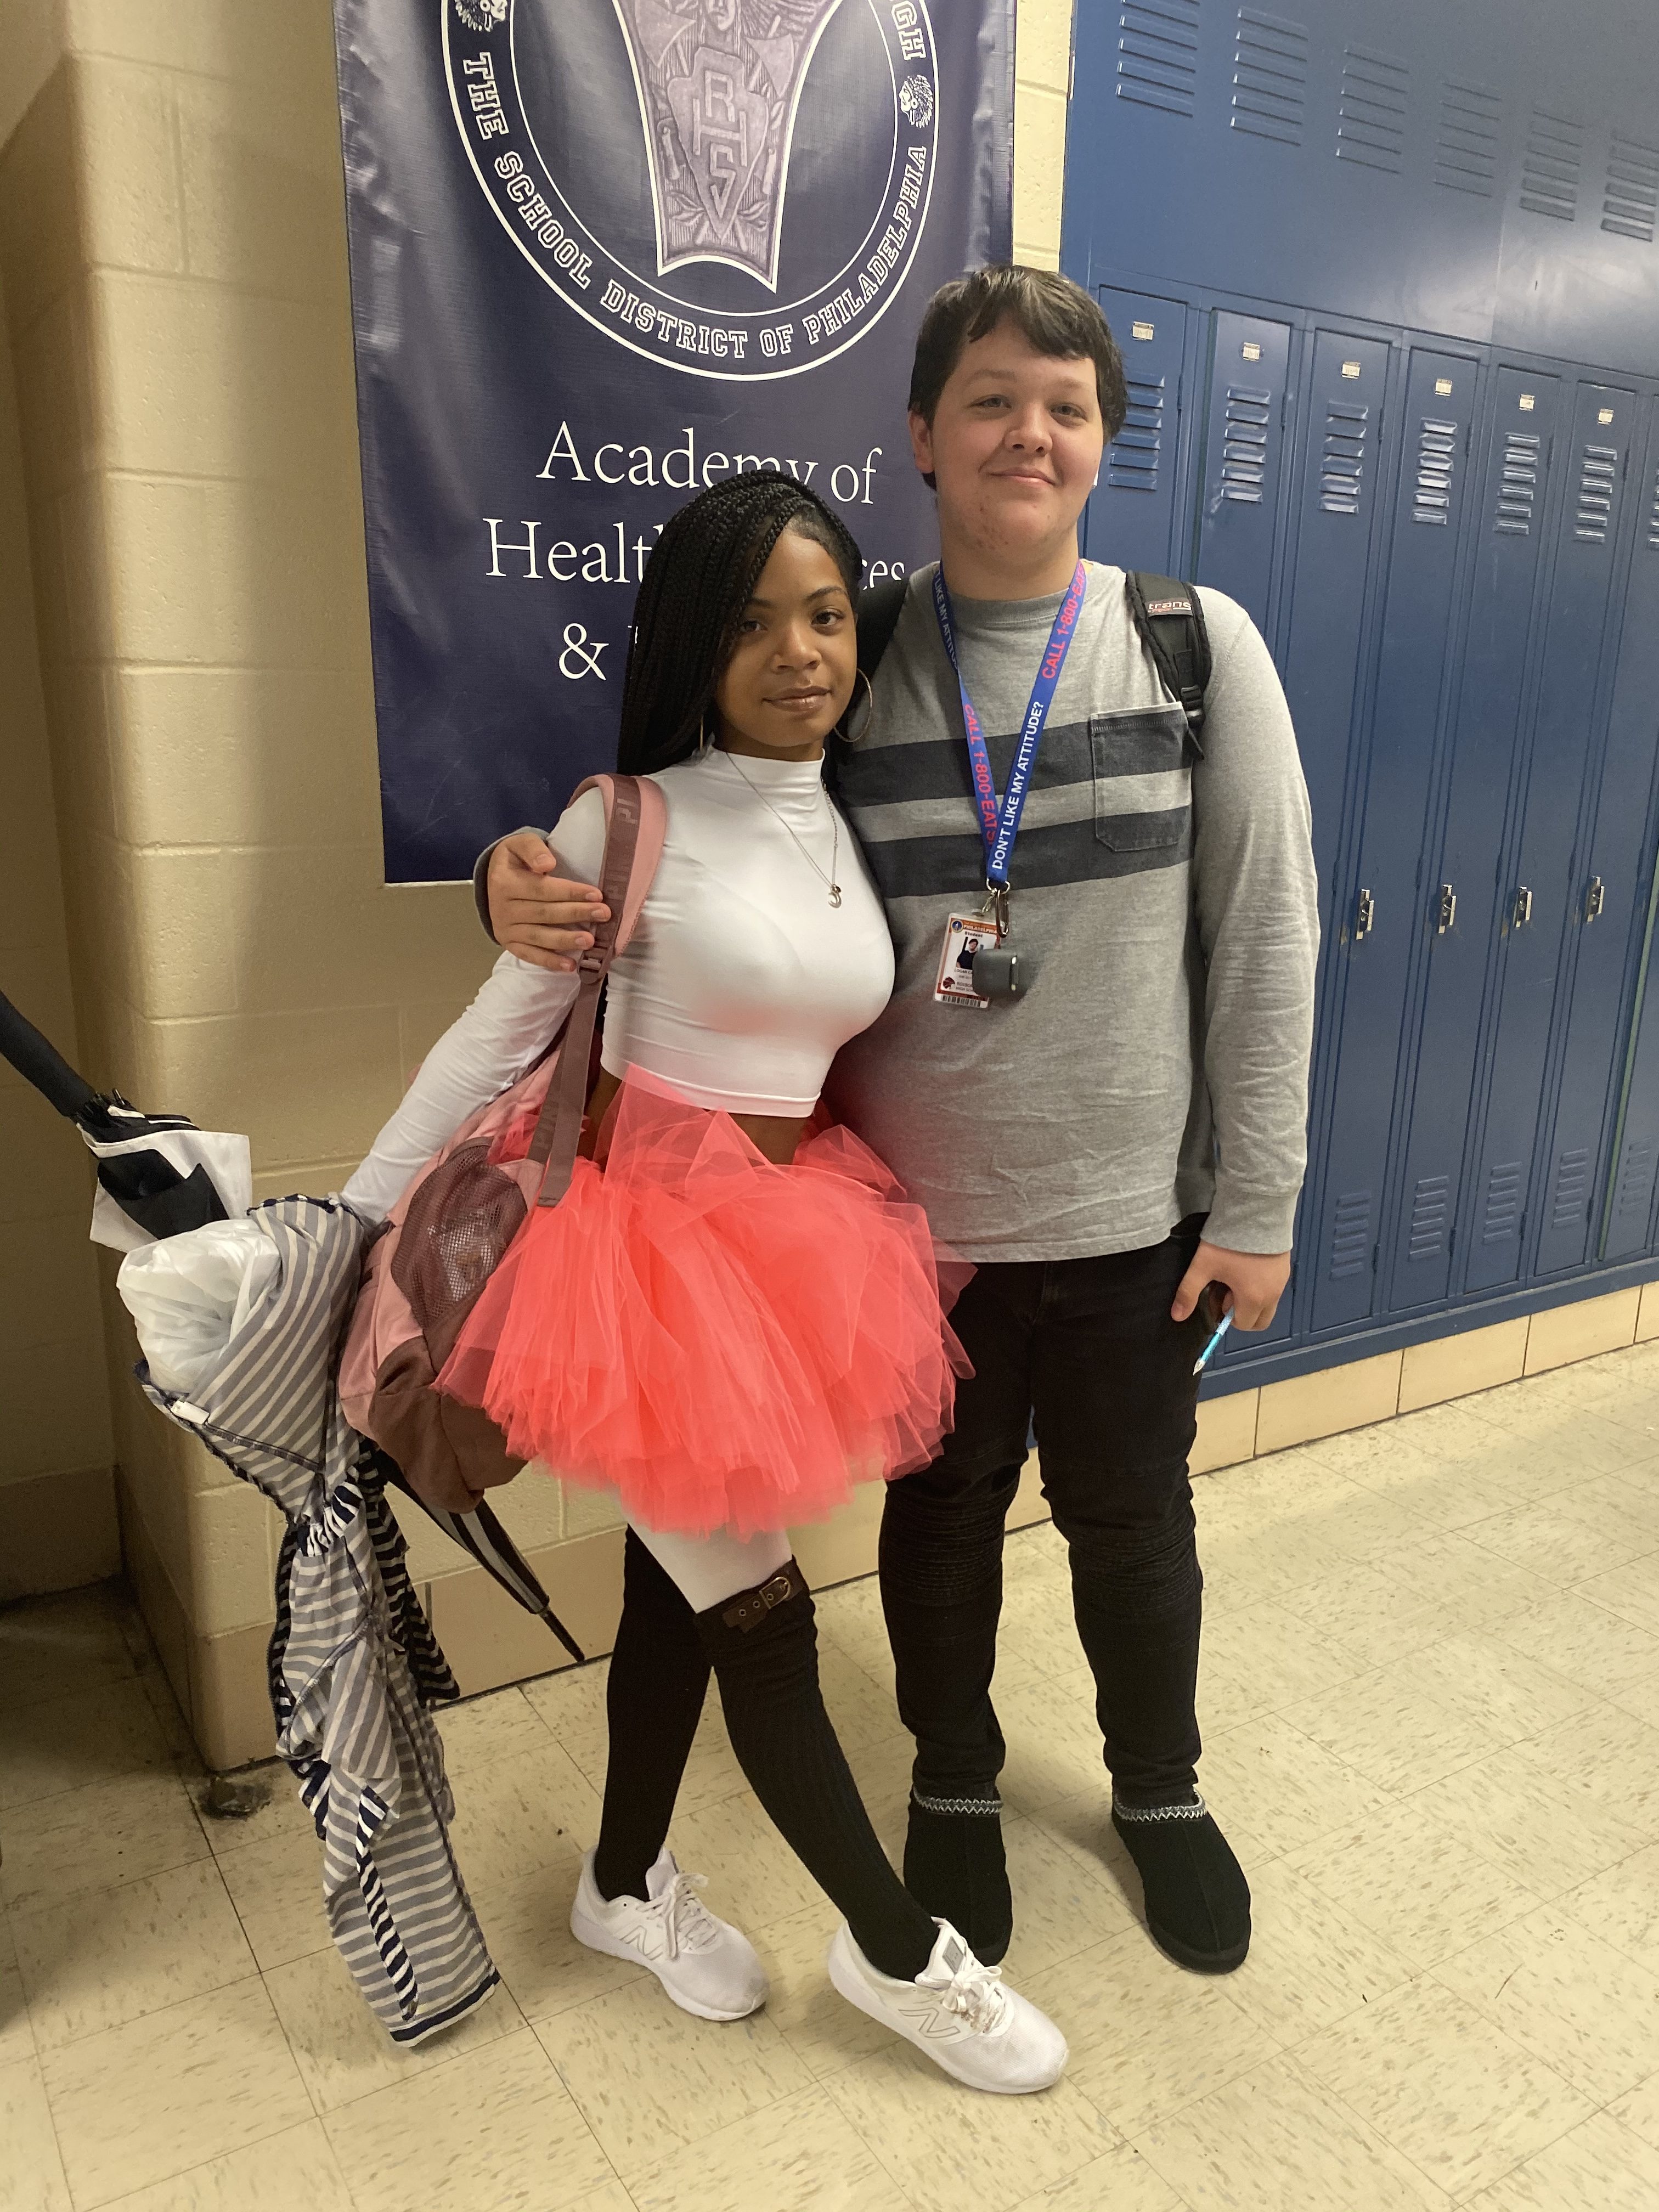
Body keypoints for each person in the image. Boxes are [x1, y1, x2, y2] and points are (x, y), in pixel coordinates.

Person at [479, 266, 1321, 1980]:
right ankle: (953, 1782)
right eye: (993, 400)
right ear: (924, 435)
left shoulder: (1194, 645)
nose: (1031, 434)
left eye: (1066, 408)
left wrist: (1261, 1203)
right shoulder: (852, 654)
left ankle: (1159, 1792)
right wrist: (511, 879)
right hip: (909, 1239)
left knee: (1135, 1527)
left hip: (1133, 1222)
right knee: (938, 1534)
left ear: (1103, 442)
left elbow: (1269, 931)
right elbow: (680, 814)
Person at [342, 469, 1068, 2095]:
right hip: (632, 1266)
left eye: (825, 616)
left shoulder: (853, 805)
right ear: (692, 641)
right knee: (761, 1614)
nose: (799, 653)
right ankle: (900, 1956)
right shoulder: (625, 818)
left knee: (683, 1589)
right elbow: (497, 1035)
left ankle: (618, 1886)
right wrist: (349, 1221)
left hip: (792, 1243)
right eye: (752, 623)